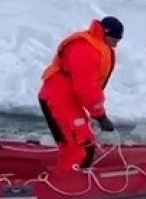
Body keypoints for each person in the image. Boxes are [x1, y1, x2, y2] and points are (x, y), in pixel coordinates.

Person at [38, 16, 123, 172]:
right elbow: (86, 89)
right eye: (114, 40)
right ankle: (67, 181)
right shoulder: (86, 50)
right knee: (80, 148)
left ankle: (69, 175)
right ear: (106, 34)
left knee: (85, 143)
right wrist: (100, 115)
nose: (115, 45)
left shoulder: (97, 45)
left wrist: (97, 113)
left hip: (67, 98)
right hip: (56, 99)